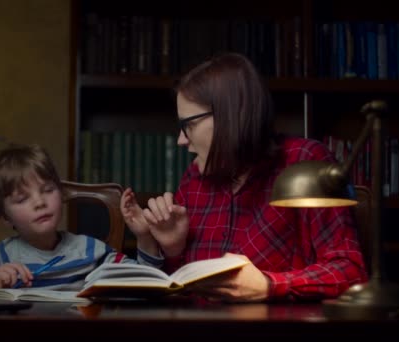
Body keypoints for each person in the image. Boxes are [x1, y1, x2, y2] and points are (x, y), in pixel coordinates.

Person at [120, 52, 368, 302]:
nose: (181, 140)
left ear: (230, 116)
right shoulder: (194, 177)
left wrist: (270, 285)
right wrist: (174, 248)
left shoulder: (304, 162)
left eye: (189, 125)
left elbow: (350, 270)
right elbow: (180, 289)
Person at [0, 143, 142, 293]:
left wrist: (144, 238)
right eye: (21, 199)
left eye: (48, 190)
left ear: (62, 193)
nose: (40, 203)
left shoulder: (89, 249)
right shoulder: (1, 255)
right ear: (3, 217)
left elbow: (145, 278)